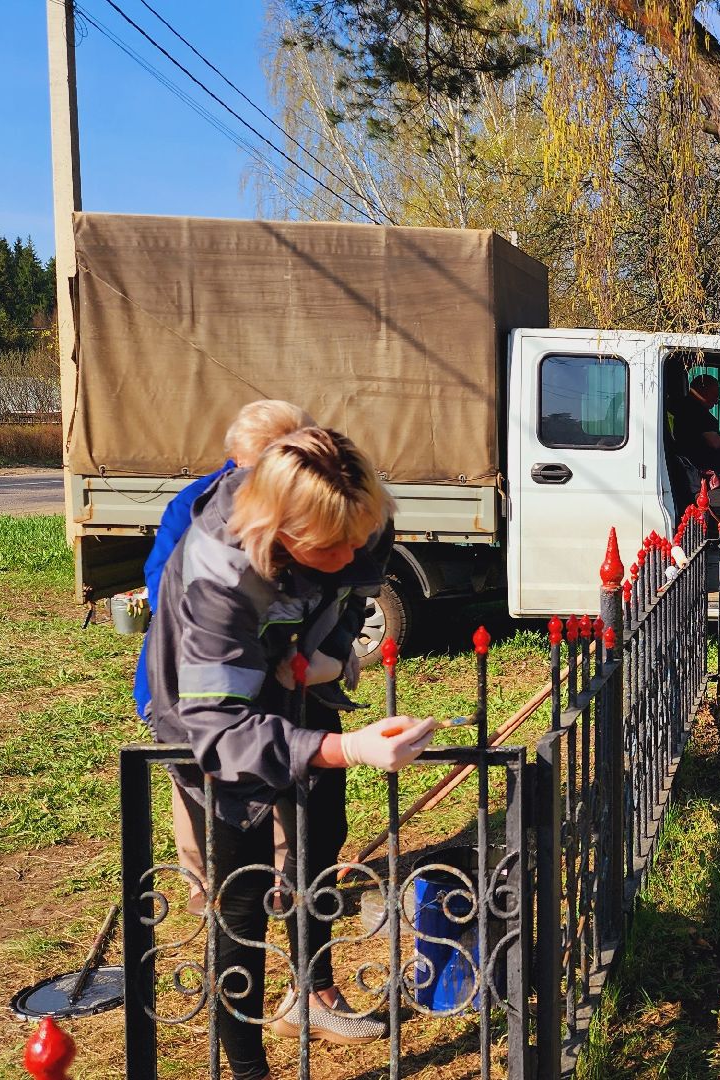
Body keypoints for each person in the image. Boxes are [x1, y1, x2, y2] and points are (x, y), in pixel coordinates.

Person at [145, 426, 436, 1079]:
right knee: (244, 892)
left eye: (362, 533)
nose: (356, 548)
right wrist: (348, 748)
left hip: (297, 693)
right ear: (282, 534)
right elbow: (219, 732)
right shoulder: (221, 575)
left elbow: (360, 582)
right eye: (334, 544)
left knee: (317, 844)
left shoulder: (359, 521)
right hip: (212, 722)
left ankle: (312, 994)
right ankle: (249, 1069)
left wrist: (325, 651)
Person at [133, 400, 315, 917]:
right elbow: (164, 585)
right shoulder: (195, 507)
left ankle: (279, 881)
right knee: (197, 776)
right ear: (241, 460)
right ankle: (201, 884)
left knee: (274, 773)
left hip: (267, 676)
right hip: (190, 680)